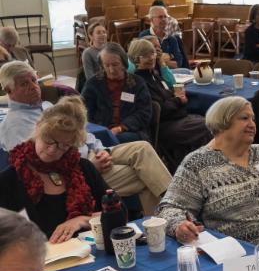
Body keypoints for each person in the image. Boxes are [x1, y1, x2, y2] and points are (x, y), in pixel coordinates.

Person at [0, 60, 171, 216]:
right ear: (9, 90)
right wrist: (88, 167)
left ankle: (171, 209)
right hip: (77, 170)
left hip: (90, 154)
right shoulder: (14, 125)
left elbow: (82, 132)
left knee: (142, 148)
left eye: (33, 80)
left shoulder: (47, 106)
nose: (33, 86)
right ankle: (167, 215)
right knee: (145, 175)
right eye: (24, 84)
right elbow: (40, 166)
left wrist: (100, 149)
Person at [157, 96, 259, 245]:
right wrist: (179, 225)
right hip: (243, 253)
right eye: (244, 118)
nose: (253, 124)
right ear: (222, 122)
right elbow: (171, 208)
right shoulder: (198, 163)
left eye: (253, 119)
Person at [0, 96, 108, 242]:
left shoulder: (83, 168)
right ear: (38, 127)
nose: (52, 150)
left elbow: (119, 212)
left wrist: (83, 220)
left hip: (90, 254)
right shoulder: (9, 180)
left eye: (63, 146)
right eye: (48, 140)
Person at [129, 38, 210, 168]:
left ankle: (194, 166)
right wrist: (177, 100)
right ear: (136, 59)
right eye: (145, 55)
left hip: (176, 118)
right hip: (163, 126)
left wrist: (176, 98)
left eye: (152, 53)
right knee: (208, 126)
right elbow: (158, 109)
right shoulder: (139, 82)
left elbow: (167, 97)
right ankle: (203, 167)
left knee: (208, 120)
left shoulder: (154, 74)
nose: (151, 58)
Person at [82, 42, 152, 143]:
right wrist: (101, 130)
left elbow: (144, 113)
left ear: (124, 63)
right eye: (107, 65)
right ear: (102, 65)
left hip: (131, 131)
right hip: (100, 131)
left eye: (115, 64)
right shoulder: (93, 84)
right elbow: (84, 111)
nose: (111, 70)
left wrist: (121, 127)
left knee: (114, 139)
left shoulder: (137, 83)